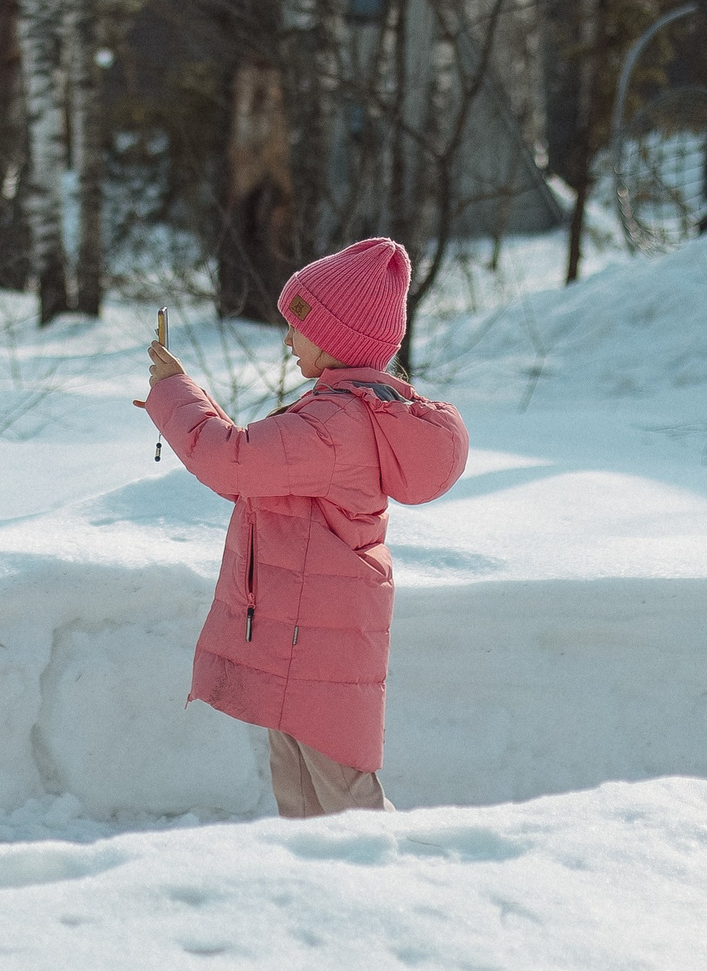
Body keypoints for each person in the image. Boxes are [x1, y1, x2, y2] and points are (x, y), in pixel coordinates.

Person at [135, 237, 468, 818]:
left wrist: (174, 393)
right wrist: (182, 400)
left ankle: (404, 893)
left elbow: (230, 461)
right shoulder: (342, 413)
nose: (287, 341)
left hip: (318, 643)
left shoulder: (334, 424)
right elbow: (252, 459)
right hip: (309, 636)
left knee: (345, 801)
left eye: (297, 327)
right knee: (302, 795)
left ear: (338, 340)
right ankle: (317, 896)